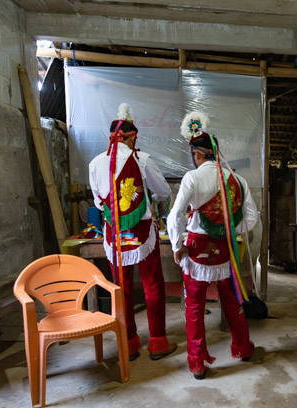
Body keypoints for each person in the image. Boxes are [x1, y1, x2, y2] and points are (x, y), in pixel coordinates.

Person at [167, 111, 258, 379]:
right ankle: (243, 348)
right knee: (232, 302)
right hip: (226, 250)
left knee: (194, 307)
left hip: (197, 250)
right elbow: (251, 217)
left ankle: (197, 362)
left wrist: (176, 245)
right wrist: (229, 230)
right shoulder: (236, 179)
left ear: (197, 154)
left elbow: (175, 216)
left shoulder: (192, 178)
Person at [88, 103, 177, 361]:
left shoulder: (95, 164)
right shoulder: (143, 159)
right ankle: (158, 341)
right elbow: (163, 192)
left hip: (114, 235)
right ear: (133, 136)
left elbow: (98, 202)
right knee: (153, 285)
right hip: (142, 232)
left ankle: (129, 342)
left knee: (122, 288)